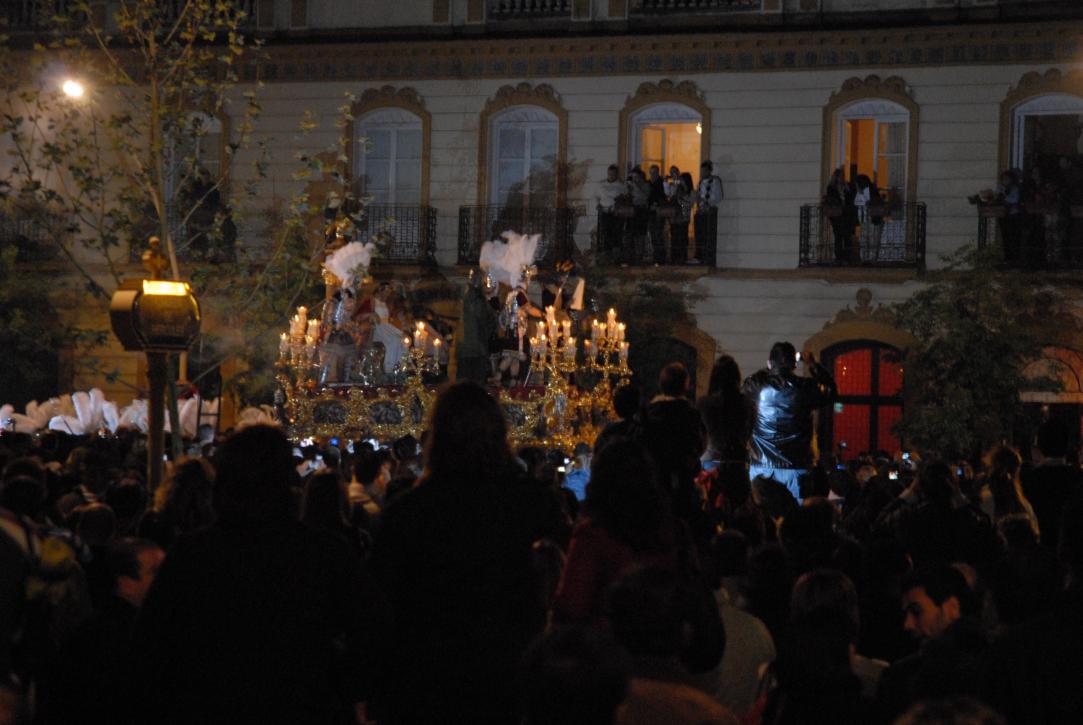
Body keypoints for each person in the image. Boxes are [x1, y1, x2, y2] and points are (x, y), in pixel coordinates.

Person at [131, 425, 388, 724]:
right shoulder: (322, 552)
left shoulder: (192, 554)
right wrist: (344, 686)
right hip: (302, 704)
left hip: (212, 704)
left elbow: (152, 644)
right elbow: (373, 627)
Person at [369, 382, 566, 724]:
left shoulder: (408, 512)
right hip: (509, 676)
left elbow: (380, 607)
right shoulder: (534, 503)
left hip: (426, 684)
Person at [552, 439, 679, 625]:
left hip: (608, 636)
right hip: (663, 633)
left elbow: (571, 606)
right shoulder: (672, 530)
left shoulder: (593, 535)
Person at [877, 564, 989, 722]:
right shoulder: (995, 662)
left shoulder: (903, 679)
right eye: (906, 614)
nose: (908, 624)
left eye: (917, 612)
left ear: (952, 608)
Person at [742, 342, 836, 508]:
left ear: (770, 363)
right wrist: (813, 364)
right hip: (796, 466)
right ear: (794, 364)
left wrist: (771, 369)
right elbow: (831, 390)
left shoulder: (758, 387)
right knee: (796, 516)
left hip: (762, 465)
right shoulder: (806, 387)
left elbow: (748, 382)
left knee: (762, 513)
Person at [1021, 417, 1082, 551]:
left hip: (1042, 547)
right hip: (1074, 548)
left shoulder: (1029, 479)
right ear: (1067, 445)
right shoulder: (1077, 478)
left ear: (1040, 446)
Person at [456, 268, 497, 384]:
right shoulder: (476, 298)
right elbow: (484, 320)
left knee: (464, 381)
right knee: (475, 382)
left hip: (465, 346)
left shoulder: (467, 295)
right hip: (475, 348)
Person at [825, 167, 857, 263]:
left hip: (846, 215)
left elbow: (851, 199)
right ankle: (839, 257)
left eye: (843, 176)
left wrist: (848, 190)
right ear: (836, 177)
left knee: (847, 236)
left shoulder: (847, 186)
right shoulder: (831, 188)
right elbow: (831, 200)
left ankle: (847, 257)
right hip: (836, 215)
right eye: (840, 176)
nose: (842, 178)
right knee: (838, 236)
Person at [695, 160, 723, 266]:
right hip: (701, 211)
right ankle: (700, 257)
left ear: (709, 171)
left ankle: (709, 259)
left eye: (704, 171)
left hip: (710, 211)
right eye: (701, 171)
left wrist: (706, 201)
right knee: (700, 235)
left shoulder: (715, 181)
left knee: (709, 236)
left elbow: (718, 197)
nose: (702, 173)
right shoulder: (700, 182)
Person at [597, 164, 628, 259]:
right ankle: (607, 254)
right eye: (609, 174)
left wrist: (620, 202)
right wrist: (597, 205)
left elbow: (626, 198)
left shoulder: (621, 185)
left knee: (617, 233)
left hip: (617, 213)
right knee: (606, 232)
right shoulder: (601, 185)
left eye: (613, 174)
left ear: (616, 174)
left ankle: (616, 255)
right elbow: (595, 197)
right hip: (605, 212)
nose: (611, 176)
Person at [647, 164, 668, 265]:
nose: (653, 175)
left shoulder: (661, 183)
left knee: (658, 233)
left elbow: (664, 196)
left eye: (654, 173)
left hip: (659, 211)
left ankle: (661, 256)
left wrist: (658, 204)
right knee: (653, 234)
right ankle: (656, 255)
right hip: (650, 212)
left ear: (658, 173)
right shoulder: (648, 183)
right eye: (651, 173)